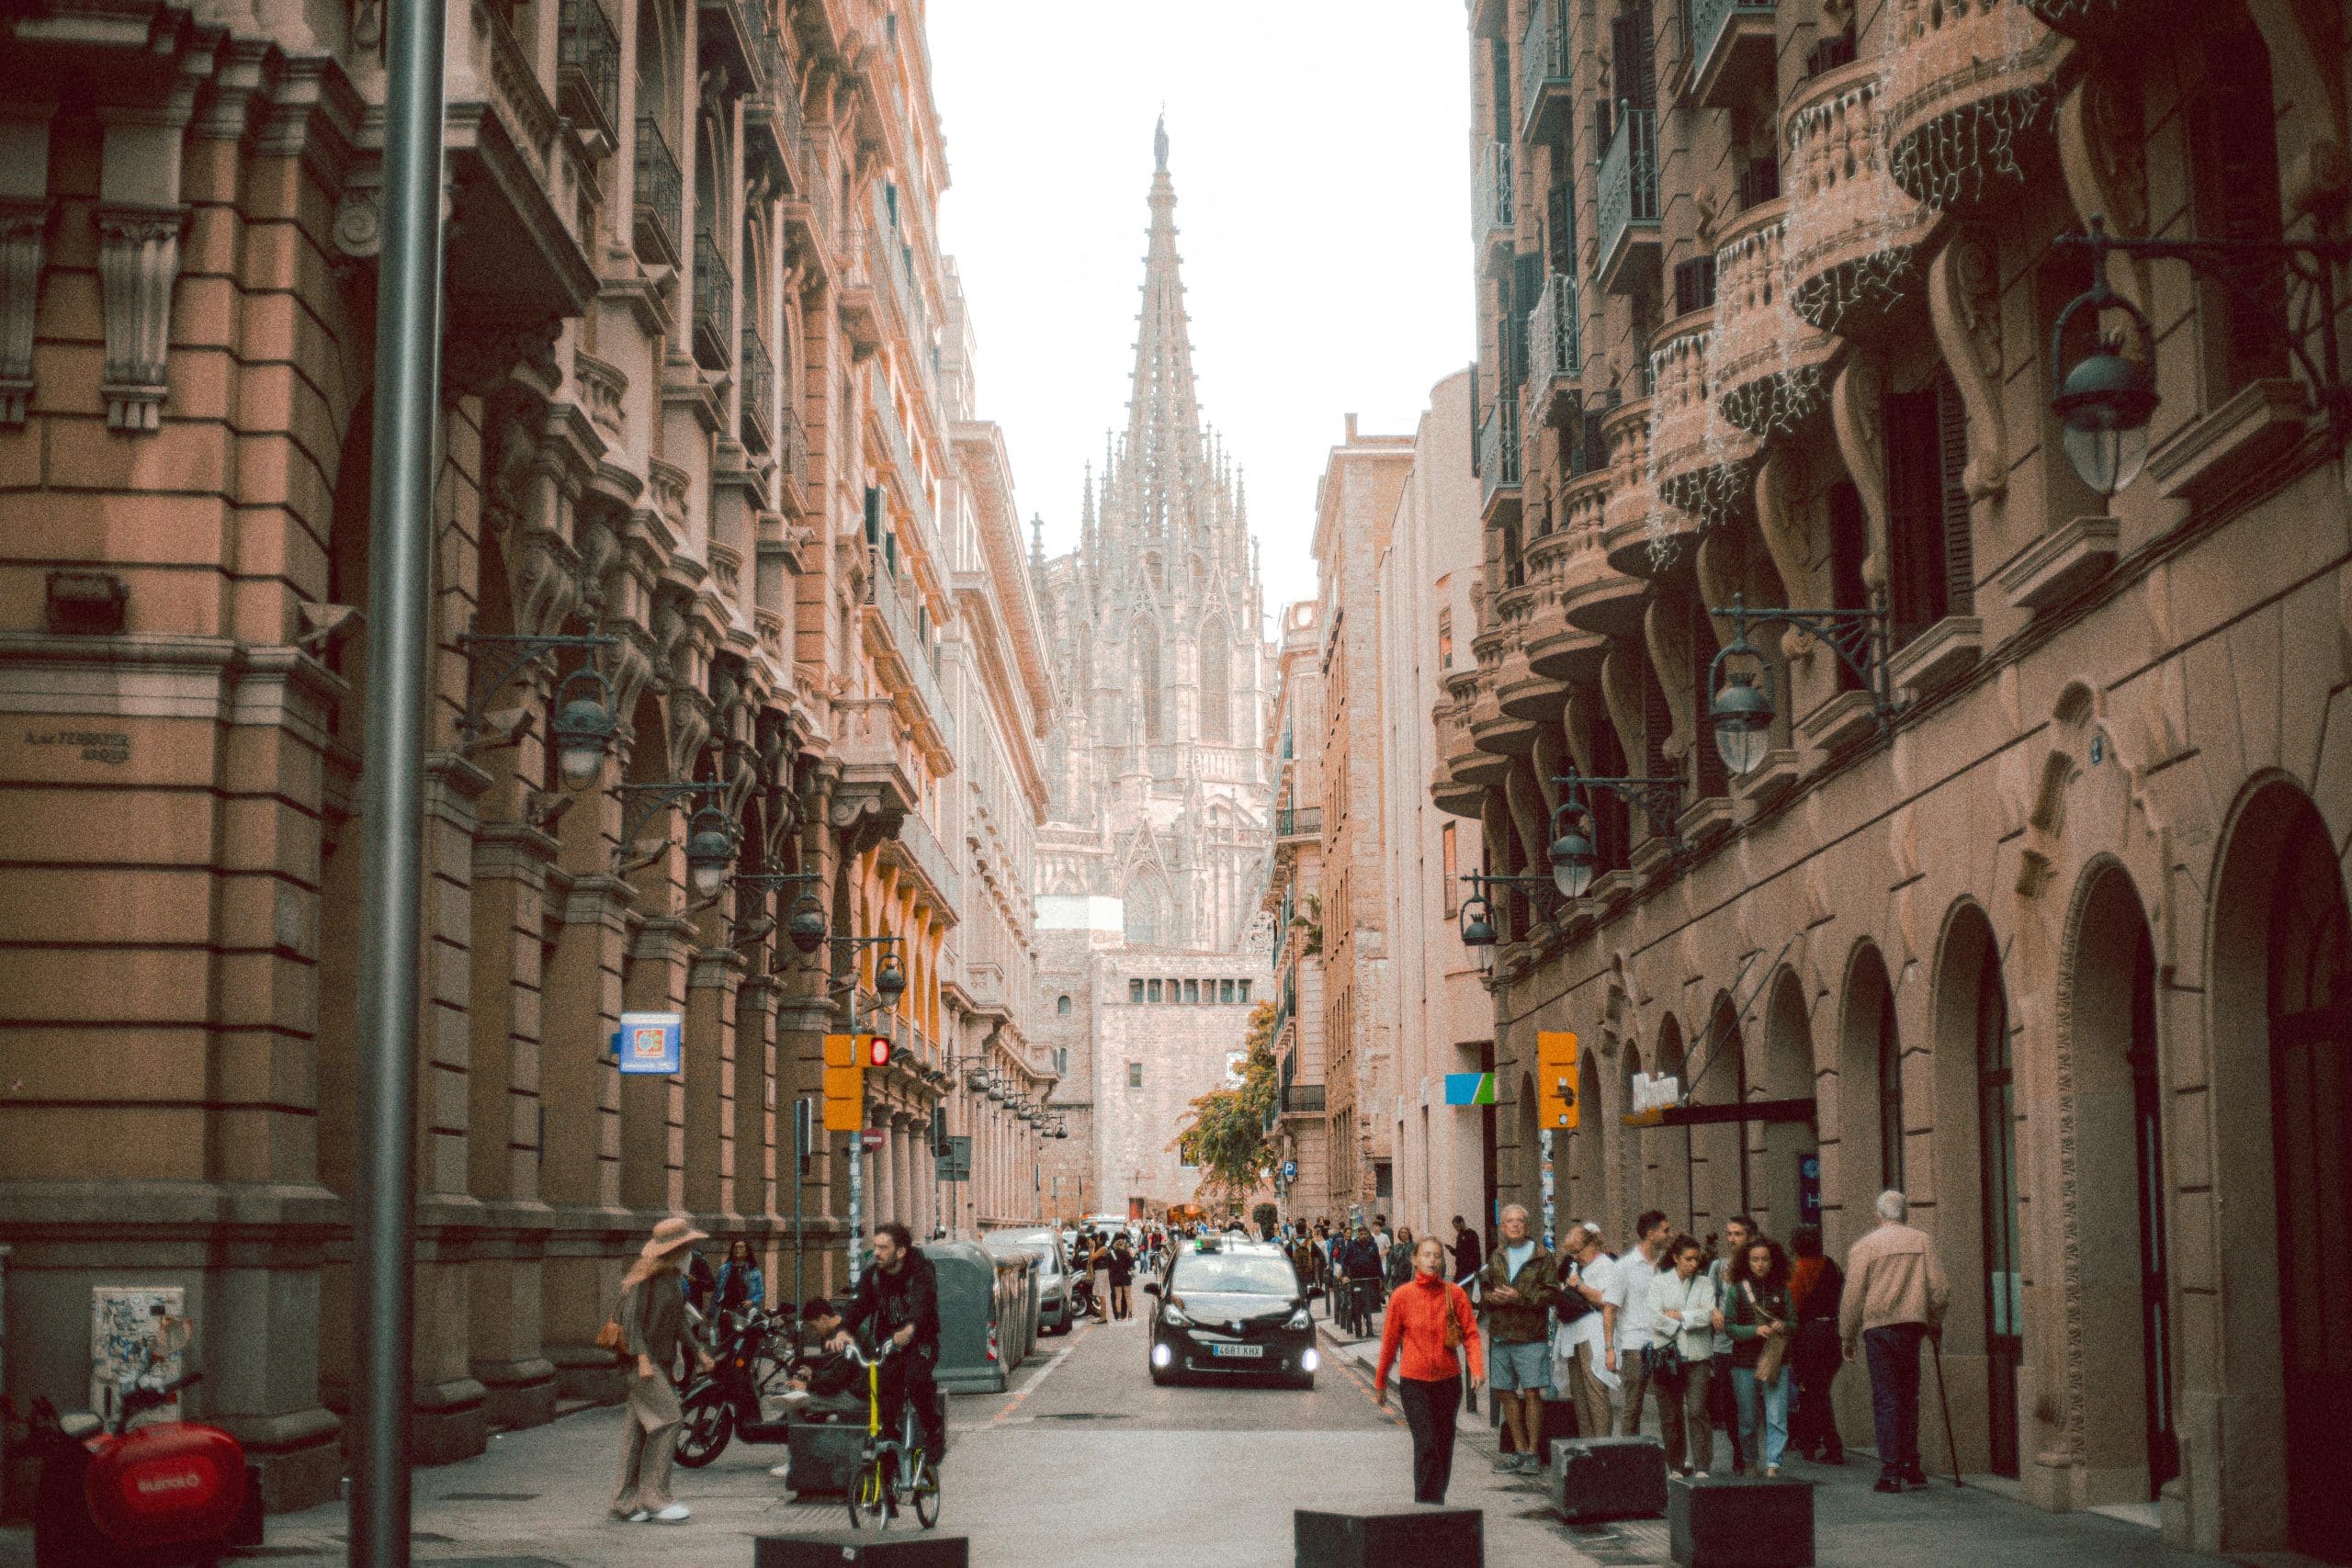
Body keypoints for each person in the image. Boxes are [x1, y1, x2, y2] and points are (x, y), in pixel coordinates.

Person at [1839, 1190, 1951, 1493]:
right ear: (1905, 1214)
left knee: (1886, 1399)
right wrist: (1934, 1321)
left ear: (1878, 1215)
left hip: (1879, 1328)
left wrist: (1847, 1335)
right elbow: (1939, 1289)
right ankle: (1911, 1464)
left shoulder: (1866, 1246)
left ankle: (1891, 1470)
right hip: (1912, 1325)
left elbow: (1853, 1297)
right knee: (1908, 1396)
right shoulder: (1921, 1240)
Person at [611, 1214, 713, 1524]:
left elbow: (680, 1322)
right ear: (675, 1248)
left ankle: (627, 1502)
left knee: (639, 1428)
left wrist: (699, 1352)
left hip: (659, 1362)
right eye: (687, 1245)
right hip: (643, 1363)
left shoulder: (672, 1278)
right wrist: (642, 1359)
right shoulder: (645, 1278)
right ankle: (655, 1498)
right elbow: (631, 1323)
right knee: (669, 1420)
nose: (690, 1250)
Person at [1374, 1235, 1486, 1505]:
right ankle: (1423, 1507)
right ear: (1414, 1259)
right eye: (1426, 1255)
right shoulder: (1402, 1296)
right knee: (1425, 1445)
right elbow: (1389, 1342)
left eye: (1437, 1255)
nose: (1432, 1260)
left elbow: (1471, 1334)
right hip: (1414, 1383)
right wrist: (1380, 1382)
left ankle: (1437, 1502)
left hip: (1448, 1382)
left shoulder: (1455, 1293)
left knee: (1444, 1445)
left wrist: (1477, 1368)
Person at [831, 1222, 946, 1466]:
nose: (877, 1253)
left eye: (884, 1248)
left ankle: (933, 1427)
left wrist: (910, 1328)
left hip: (919, 1342)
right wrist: (843, 1331)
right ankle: (891, 1448)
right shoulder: (873, 1276)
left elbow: (922, 1304)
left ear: (901, 1251)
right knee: (882, 1393)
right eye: (875, 1247)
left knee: (916, 1380)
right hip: (888, 1345)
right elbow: (857, 1305)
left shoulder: (921, 1272)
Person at [1477, 1203, 1562, 1473]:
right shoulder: (1496, 1255)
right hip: (1501, 1333)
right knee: (1504, 1391)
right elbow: (1486, 1289)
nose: (1514, 1225)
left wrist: (1520, 1297)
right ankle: (1520, 1449)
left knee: (1532, 1392)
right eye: (1509, 1221)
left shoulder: (1542, 1256)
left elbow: (1552, 1294)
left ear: (1527, 1226)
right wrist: (1492, 1297)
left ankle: (1534, 1453)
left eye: (1520, 1221)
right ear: (1502, 1227)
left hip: (1530, 1334)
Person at [1650, 1234, 1720, 1478]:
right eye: (1688, 1259)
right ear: (1676, 1258)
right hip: (1668, 1356)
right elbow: (1654, 1318)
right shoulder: (1659, 1283)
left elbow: (1708, 1315)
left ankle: (1702, 1464)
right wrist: (1691, 1316)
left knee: (1697, 1409)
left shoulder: (1705, 1284)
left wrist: (1679, 1316)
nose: (1694, 1264)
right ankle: (1676, 1464)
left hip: (1698, 1356)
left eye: (1696, 1259)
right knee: (1671, 1413)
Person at [1725, 1235, 1794, 1477]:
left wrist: (1782, 1325)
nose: (1760, 1264)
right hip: (1744, 1362)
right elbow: (1730, 1327)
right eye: (1755, 1259)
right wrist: (1755, 1330)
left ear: (1773, 1262)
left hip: (1776, 1360)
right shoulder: (1736, 1292)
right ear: (1747, 1262)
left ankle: (1774, 1462)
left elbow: (1794, 1324)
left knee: (1776, 1415)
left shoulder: (1781, 1290)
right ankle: (1750, 1459)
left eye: (1765, 1259)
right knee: (1748, 1417)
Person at [1610, 1210, 1673, 1436]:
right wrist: (1610, 1349)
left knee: (1669, 1406)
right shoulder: (1625, 1266)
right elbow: (1610, 1309)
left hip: (1665, 1343)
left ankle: (1673, 1462)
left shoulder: (1667, 1266)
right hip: (1634, 1345)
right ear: (1650, 1234)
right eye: (1666, 1230)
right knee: (1633, 1406)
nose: (1669, 1234)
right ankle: (1628, 1456)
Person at [1554, 1224, 1618, 1439]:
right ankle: (1586, 1444)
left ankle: (1602, 1446)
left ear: (1591, 1245)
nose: (1575, 1257)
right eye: (1572, 1253)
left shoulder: (1605, 1265)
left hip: (1594, 1335)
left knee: (1595, 1392)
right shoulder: (1579, 1265)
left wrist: (1579, 1286)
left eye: (1578, 1252)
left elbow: (1606, 1300)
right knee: (1579, 1395)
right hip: (1574, 1333)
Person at [1787, 1225, 1846, 1463]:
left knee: (1813, 1391)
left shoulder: (1797, 1270)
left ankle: (1830, 1444)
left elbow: (1793, 1305)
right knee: (1818, 1390)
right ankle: (1810, 1440)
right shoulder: (1832, 1265)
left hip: (1809, 1334)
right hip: (1833, 1330)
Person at [1706, 1215, 1758, 1473]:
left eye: (1737, 1234)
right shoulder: (1719, 1266)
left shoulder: (1757, 1264)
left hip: (1751, 1344)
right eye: (1729, 1233)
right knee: (1729, 1403)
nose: (1731, 1239)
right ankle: (1739, 1451)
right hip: (1723, 1344)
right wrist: (1713, 1311)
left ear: (1750, 1237)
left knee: (1750, 1403)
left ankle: (1752, 1454)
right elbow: (1708, 1296)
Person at [1340, 1224, 1387, 1335]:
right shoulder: (1352, 1245)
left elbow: (1377, 1262)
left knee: (1369, 1304)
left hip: (1370, 1279)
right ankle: (1358, 1330)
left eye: (1365, 1234)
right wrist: (1344, 1275)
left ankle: (1370, 1330)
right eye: (1361, 1234)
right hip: (1356, 1279)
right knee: (1357, 1305)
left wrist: (1381, 1278)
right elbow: (1345, 1261)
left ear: (1368, 1234)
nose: (1363, 1236)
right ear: (1358, 1235)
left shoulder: (1373, 1245)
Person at [715, 1239, 763, 1317]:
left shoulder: (753, 1270)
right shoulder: (723, 1269)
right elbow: (716, 1293)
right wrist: (711, 1314)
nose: (737, 1250)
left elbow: (759, 1293)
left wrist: (751, 1301)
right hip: (726, 1309)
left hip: (745, 1310)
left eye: (741, 1247)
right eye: (735, 1248)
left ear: (747, 1252)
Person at [1107, 1235, 1136, 1321]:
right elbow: (1132, 1263)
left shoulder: (1111, 1254)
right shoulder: (1126, 1253)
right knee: (1128, 1296)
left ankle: (1119, 1316)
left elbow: (1109, 1265)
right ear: (1123, 1245)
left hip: (1116, 1277)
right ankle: (1130, 1315)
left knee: (1118, 1297)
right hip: (1125, 1276)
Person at [1450, 1214, 1483, 1285]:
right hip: (1460, 1268)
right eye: (1455, 1227)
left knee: (1466, 1290)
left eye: (1457, 1226)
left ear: (1462, 1223)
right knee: (1455, 1288)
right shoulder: (1459, 1236)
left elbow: (1476, 1252)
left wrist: (1476, 1269)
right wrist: (1450, 1249)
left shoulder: (1472, 1234)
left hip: (1469, 1268)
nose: (1456, 1229)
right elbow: (1458, 1253)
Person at [1385, 1225, 1418, 1292]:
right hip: (1397, 1278)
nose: (1403, 1234)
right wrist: (1387, 1278)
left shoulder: (1414, 1246)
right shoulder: (1396, 1247)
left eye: (1405, 1232)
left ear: (1409, 1234)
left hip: (1409, 1277)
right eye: (1401, 1232)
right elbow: (1389, 1262)